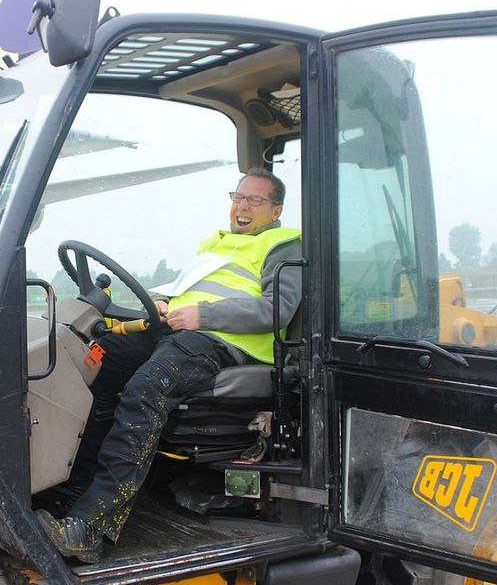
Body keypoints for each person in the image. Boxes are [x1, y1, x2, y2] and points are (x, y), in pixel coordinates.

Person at [38, 168, 302, 563]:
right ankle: (71, 491)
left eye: (254, 200)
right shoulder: (218, 245)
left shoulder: (284, 246)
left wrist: (204, 316)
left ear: (276, 210)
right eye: (237, 196)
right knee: (91, 363)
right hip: (178, 332)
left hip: (221, 343)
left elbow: (276, 309)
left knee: (145, 390)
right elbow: (190, 294)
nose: (241, 206)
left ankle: (92, 527)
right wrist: (164, 302)